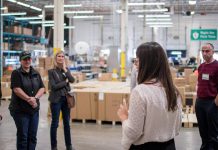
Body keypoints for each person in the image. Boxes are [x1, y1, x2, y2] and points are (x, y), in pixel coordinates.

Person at [117, 42, 182, 150]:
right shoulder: (173, 90)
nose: (135, 65)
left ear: (147, 63)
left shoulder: (140, 92)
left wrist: (124, 117)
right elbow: (177, 125)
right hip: (170, 145)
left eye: (137, 60)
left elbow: (133, 132)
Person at [9, 51, 45, 150]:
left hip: (34, 110)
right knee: (23, 137)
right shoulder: (16, 73)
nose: (27, 61)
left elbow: (42, 88)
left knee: (32, 136)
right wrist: (29, 99)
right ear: (20, 61)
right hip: (20, 110)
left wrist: (35, 98)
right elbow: (16, 89)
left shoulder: (36, 73)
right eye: (24, 59)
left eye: (28, 59)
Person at [48, 51, 75, 150]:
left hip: (66, 99)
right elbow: (54, 87)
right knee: (55, 123)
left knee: (67, 123)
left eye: (62, 56)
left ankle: (69, 146)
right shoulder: (51, 71)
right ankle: (54, 146)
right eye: (59, 56)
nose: (61, 58)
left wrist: (65, 70)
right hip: (56, 100)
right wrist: (65, 82)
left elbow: (72, 80)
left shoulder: (66, 69)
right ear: (55, 58)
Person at [195, 43, 218, 150]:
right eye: (202, 51)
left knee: (212, 132)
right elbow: (199, 83)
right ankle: (204, 147)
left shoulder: (217, 66)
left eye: (207, 51)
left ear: (213, 52)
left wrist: (215, 103)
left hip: (211, 102)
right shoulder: (201, 66)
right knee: (203, 130)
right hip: (200, 102)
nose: (204, 53)